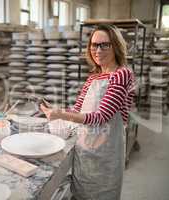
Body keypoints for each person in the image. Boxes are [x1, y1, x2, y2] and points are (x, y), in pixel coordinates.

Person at [40, 24, 135, 200]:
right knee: (81, 194)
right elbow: (78, 110)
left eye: (104, 45)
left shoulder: (122, 74)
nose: (97, 50)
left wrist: (60, 114)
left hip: (106, 153)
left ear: (115, 46)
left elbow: (101, 117)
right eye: (93, 45)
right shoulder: (93, 77)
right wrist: (54, 110)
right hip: (85, 149)